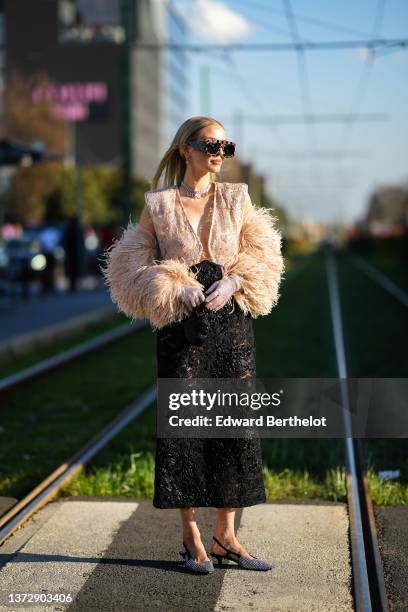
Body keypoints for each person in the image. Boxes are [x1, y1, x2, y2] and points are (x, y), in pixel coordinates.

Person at [101, 116, 285, 574]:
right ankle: (192, 538)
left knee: (233, 427)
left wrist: (238, 279)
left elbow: (265, 256)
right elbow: (127, 267)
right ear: (186, 149)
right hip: (181, 330)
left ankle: (227, 536)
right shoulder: (158, 205)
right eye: (209, 144)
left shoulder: (237, 198)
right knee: (185, 427)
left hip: (232, 328)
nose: (219, 152)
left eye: (226, 145)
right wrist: (171, 282)